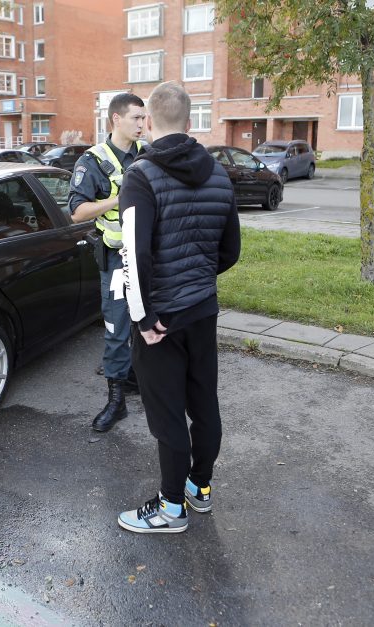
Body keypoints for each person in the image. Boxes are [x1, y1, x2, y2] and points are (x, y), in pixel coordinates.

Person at [116, 81, 240, 533]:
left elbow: (134, 253)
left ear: (148, 122)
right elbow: (230, 251)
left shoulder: (140, 176)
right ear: (190, 122)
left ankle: (171, 509)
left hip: (161, 320)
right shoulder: (220, 174)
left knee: (167, 414)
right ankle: (199, 488)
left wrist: (143, 318)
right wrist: (198, 281)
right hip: (202, 311)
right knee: (204, 402)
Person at [68, 93, 147, 432]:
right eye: (136, 118)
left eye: (145, 118)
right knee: (116, 326)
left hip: (147, 258)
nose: (143, 124)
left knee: (145, 322)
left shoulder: (149, 155)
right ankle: (116, 401)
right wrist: (119, 196)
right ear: (117, 119)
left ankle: (136, 380)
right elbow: (76, 212)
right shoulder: (94, 161)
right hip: (116, 260)